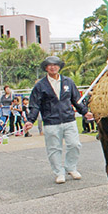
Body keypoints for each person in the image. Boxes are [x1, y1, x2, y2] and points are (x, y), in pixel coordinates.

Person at [24, 56, 93, 184]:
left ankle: (71, 167)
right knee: (54, 148)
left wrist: (85, 112)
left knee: (74, 144)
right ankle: (59, 172)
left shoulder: (68, 82)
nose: (53, 67)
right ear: (46, 68)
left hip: (69, 120)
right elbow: (35, 105)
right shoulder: (40, 85)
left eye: (55, 64)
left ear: (59, 67)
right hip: (51, 122)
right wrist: (30, 120)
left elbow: (76, 100)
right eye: (49, 65)